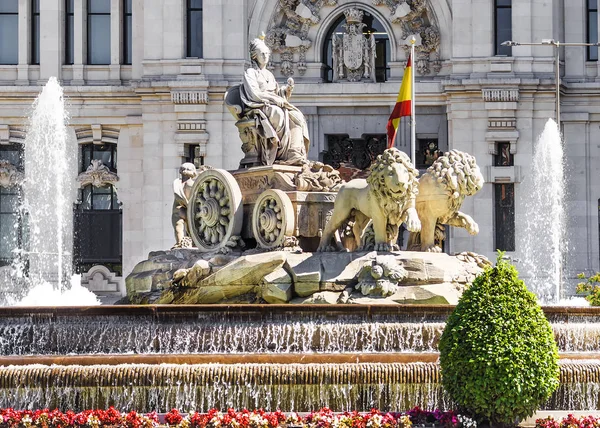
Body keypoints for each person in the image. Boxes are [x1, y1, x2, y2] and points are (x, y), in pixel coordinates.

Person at [239, 35, 310, 166]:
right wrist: (273, 99)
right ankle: (279, 154)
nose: (266, 56)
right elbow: (254, 94)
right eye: (262, 53)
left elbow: (278, 93)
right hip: (259, 106)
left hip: (274, 104)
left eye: (267, 53)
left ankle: (294, 152)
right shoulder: (250, 72)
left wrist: (286, 91)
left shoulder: (269, 74)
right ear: (254, 55)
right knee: (278, 114)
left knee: (297, 116)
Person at [171, 163, 197, 248]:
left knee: (179, 226)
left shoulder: (177, 183)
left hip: (179, 210)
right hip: (189, 210)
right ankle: (192, 242)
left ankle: (179, 242)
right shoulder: (193, 184)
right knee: (191, 229)